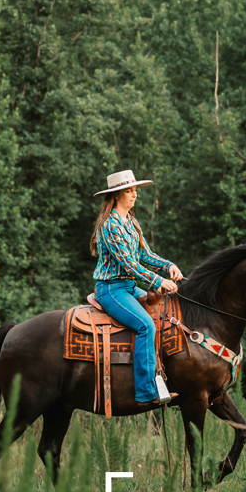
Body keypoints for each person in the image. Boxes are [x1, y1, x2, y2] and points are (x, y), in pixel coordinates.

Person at [90, 169, 182, 406]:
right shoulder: (109, 225)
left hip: (129, 287)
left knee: (167, 314)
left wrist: (168, 265)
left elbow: (145, 255)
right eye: (129, 191)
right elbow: (129, 264)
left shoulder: (131, 222)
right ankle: (146, 392)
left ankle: (169, 376)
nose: (134, 195)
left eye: (134, 191)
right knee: (145, 326)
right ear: (117, 195)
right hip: (112, 289)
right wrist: (159, 281)